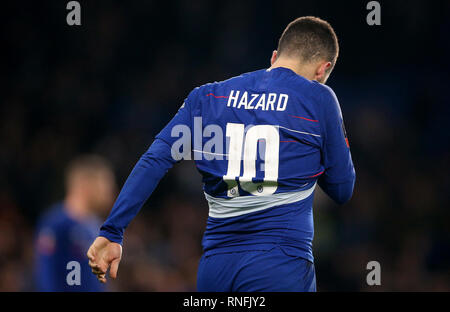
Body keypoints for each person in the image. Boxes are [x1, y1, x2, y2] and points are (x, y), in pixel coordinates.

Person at [87, 16, 355, 291]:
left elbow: (155, 160)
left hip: (216, 269)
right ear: (322, 71)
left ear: (275, 57)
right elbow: (342, 188)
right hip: (280, 266)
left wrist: (112, 231)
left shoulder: (207, 97)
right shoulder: (319, 98)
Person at [34, 155, 116, 291]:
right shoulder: (56, 225)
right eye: (106, 186)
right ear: (86, 185)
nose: (110, 193)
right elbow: (47, 276)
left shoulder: (96, 226)